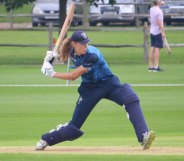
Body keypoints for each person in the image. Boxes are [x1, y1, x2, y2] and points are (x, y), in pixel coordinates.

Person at [36, 30, 156, 151]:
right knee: (73, 128)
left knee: (130, 98)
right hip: (89, 90)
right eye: (82, 44)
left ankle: (143, 136)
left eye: (86, 43)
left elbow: (73, 76)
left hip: (108, 83)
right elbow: (63, 57)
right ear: (74, 44)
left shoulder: (91, 55)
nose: (85, 46)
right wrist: (50, 60)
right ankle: (46, 139)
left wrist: (52, 73)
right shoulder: (72, 50)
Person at [149, 0, 165, 72]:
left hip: (152, 31)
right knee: (157, 49)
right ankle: (156, 67)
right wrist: (163, 32)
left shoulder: (151, 9)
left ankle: (151, 67)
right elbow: (159, 22)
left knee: (152, 48)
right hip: (157, 32)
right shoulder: (159, 12)